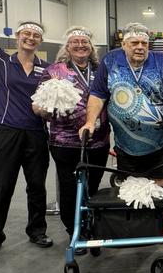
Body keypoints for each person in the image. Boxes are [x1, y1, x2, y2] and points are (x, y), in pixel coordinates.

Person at [0, 9, 54, 260]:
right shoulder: (2, 60)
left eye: (35, 35)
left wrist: (47, 111)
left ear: (40, 41)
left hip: (36, 133)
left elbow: (55, 98)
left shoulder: (48, 68)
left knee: (36, 186)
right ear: (18, 36)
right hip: (6, 131)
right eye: (26, 34)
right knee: (1, 185)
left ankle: (37, 230)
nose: (30, 38)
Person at [32, 27, 109, 255]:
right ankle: (74, 230)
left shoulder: (100, 70)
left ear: (91, 46)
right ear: (67, 46)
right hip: (65, 142)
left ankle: (91, 226)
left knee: (92, 188)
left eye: (84, 41)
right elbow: (39, 104)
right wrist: (43, 108)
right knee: (69, 189)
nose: (80, 45)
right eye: (74, 42)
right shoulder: (55, 71)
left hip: (98, 140)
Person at [79, 22, 163, 187]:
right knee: (131, 192)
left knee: (162, 192)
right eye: (134, 43)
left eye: (144, 43)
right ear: (123, 44)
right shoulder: (110, 60)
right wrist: (90, 122)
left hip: (162, 143)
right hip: (126, 144)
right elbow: (98, 95)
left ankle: (161, 213)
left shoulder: (161, 61)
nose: (140, 47)